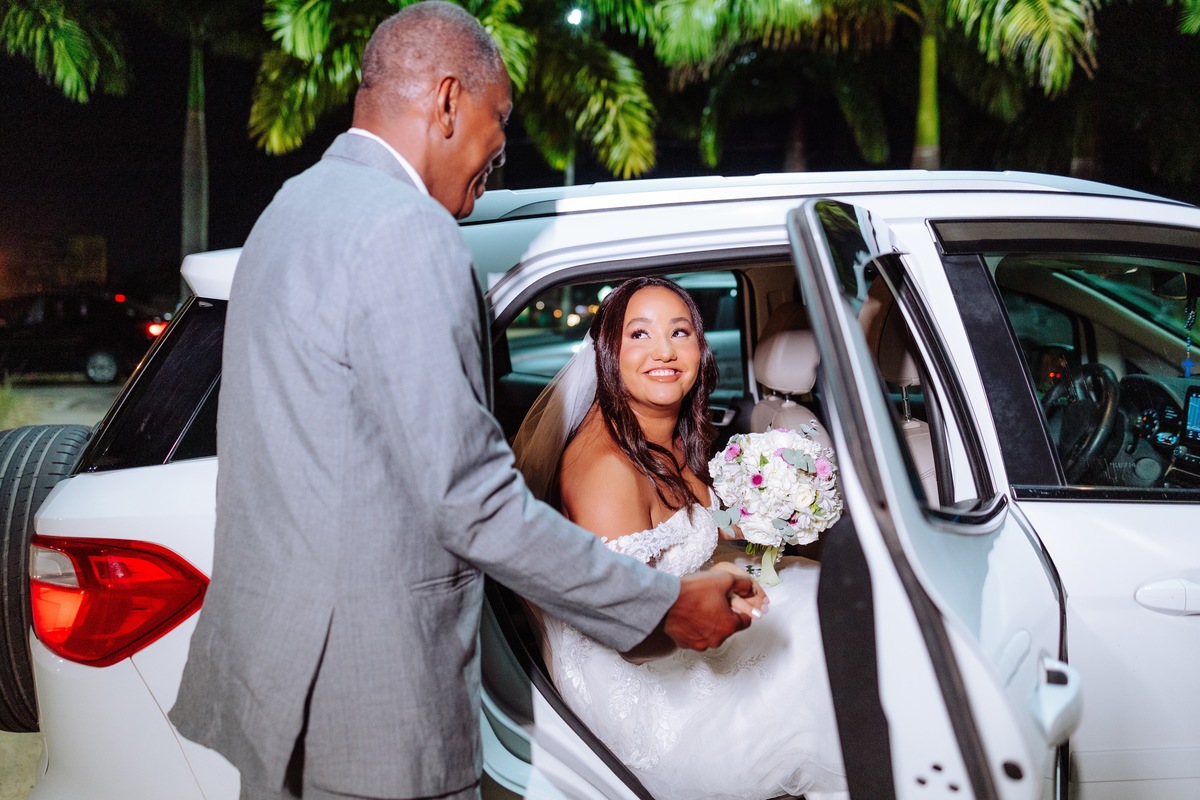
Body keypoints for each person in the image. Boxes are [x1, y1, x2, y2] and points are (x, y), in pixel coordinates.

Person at [168, 6, 761, 800]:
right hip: (374, 702)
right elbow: (471, 502)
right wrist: (660, 605)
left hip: (281, 679)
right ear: (449, 100)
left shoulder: (290, 209)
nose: (499, 156)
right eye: (500, 122)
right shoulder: (407, 231)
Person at [513, 276, 848, 800]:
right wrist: (718, 578)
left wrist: (773, 506)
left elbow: (693, 523)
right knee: (827, 645)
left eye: (681, 332)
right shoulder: (606, 472)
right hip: (644, 684)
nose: (664, 351)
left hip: (670, 633)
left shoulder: (660, 435)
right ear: (606, 351)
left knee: (820, 598)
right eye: (639, 335)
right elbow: (628, 636)